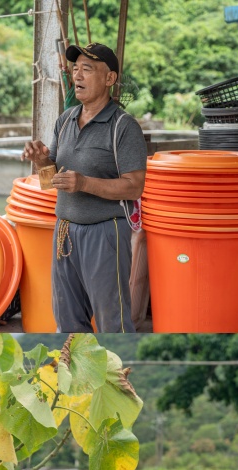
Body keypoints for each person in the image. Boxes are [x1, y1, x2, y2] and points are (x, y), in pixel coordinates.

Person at [22, 42, 147, 333]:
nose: (77, 75)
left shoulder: (124, 126)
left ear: (110, 79)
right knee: (67, 321)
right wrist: (40, 160)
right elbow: (49, 179)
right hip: (64, 231)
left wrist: (85, 183)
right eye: (75, 69)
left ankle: (117, 373)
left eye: (87, 69)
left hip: (105, 233)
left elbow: (134, 187)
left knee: (111, 321)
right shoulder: (65, 120)